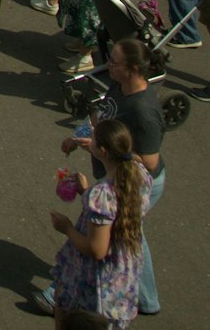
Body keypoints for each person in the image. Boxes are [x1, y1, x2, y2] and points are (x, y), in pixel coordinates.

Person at [46, 119, 150, 329]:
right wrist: (86, 193)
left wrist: (66, 227)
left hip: (98, 280)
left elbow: (97, 249)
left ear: (103, 151)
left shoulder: (102, 194)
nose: (89, 140)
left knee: (73, 317)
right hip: (122, 272)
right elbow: (114, 215)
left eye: (92, 139)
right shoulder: (138, 174)